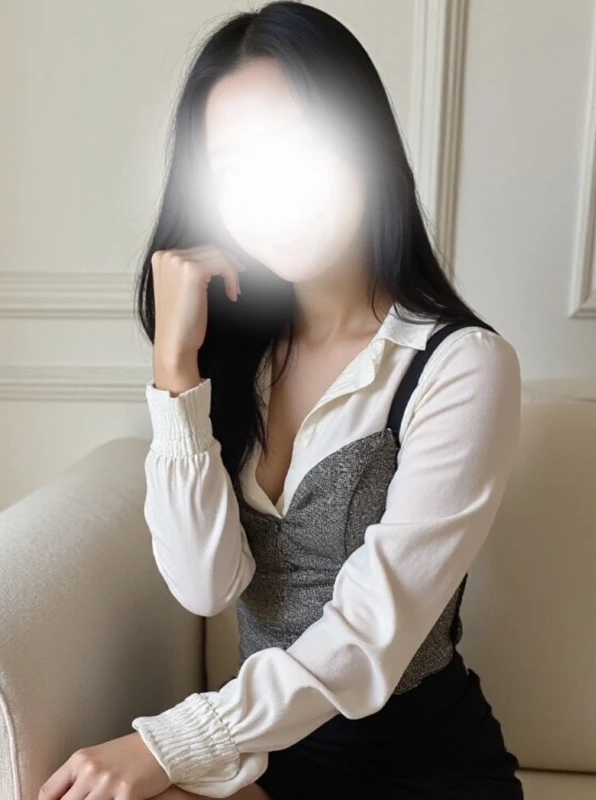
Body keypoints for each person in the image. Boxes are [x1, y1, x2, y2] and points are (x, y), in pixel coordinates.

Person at [38, 3, 523, 799]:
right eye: (234, 166)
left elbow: (369, 639)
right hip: (271, 760)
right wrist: (174, 367)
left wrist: (169, 743)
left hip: (420, 769)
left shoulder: (461, 367)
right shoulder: (239, 358)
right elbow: (205, 586)